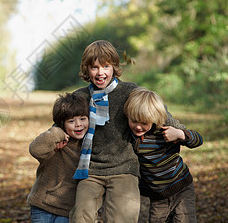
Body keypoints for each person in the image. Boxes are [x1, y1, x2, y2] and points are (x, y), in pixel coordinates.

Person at [70, 40, 187, 223]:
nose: (100, 73)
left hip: (124, 168)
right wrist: (55, 136)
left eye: (106, 66)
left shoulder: (129, 91)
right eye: (94, 67)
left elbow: (156, 108)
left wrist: (180, 130)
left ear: (114, 67)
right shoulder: (80, 96)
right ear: (86, 70)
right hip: (90, 170)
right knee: (80, 216)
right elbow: (63, 120)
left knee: (123, 217)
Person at [124, 87, 203, 222]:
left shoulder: (165, 132)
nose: (138, 127)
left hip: (181, 189)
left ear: (153, 119)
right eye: (134, 121)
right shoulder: (131, 138)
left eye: (144, 123)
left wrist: (180, 134)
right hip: (157, 197)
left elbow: (198, 140)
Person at [27, 92, 89, 222]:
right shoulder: (55, 142)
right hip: (42, 205)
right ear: (62, 124)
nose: (78, 124)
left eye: (83, 119)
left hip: (67, 211)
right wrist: (56, 132)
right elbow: (35, 149)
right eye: (71, 121)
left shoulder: (89, 144)